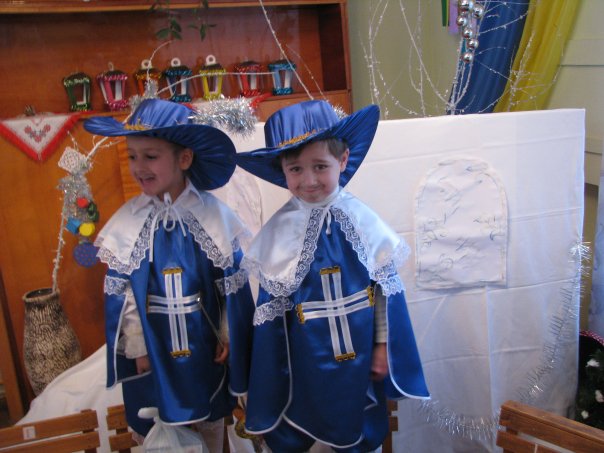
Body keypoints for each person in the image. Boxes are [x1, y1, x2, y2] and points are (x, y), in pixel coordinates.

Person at [236, 100, 430, 452]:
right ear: (282, 170)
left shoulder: (362, 221)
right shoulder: (278, 235)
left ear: (342, 160)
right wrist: (273, 375)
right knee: (308, 434)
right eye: (296, 169)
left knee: (357, 432)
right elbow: (271, 320)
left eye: (320, 166)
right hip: (304, 365)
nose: (309, 180)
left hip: (359, 360)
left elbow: (384, 292)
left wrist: (382, 346)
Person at [84, 99, 255, 448]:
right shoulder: (130, 222)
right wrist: (137, 346)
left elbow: (230, 287)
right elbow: (125, 295)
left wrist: (227, 334)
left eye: (150, 156)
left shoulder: (212, 216)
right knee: (159, 431)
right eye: (132, 156)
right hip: (154, 353)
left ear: (184, 158)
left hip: (203, 351)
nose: (139, 167)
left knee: (208, 426)